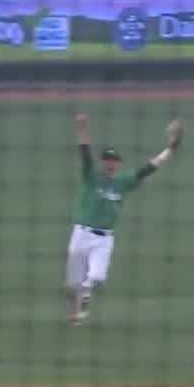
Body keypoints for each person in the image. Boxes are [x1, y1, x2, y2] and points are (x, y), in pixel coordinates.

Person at [65, 112, 182, 325]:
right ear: (102, 163)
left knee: (97, 278)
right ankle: (75, 310)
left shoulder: (123, 181)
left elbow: (148, 168)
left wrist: (170, 150)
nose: (110, 164)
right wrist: (81, 130)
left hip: (104, 239)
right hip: (81, 235)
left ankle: (86, 293)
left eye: (114, 161)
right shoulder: (92, 177)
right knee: (72, 284)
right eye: (107, 160)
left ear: (118, 164)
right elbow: (84, 154)